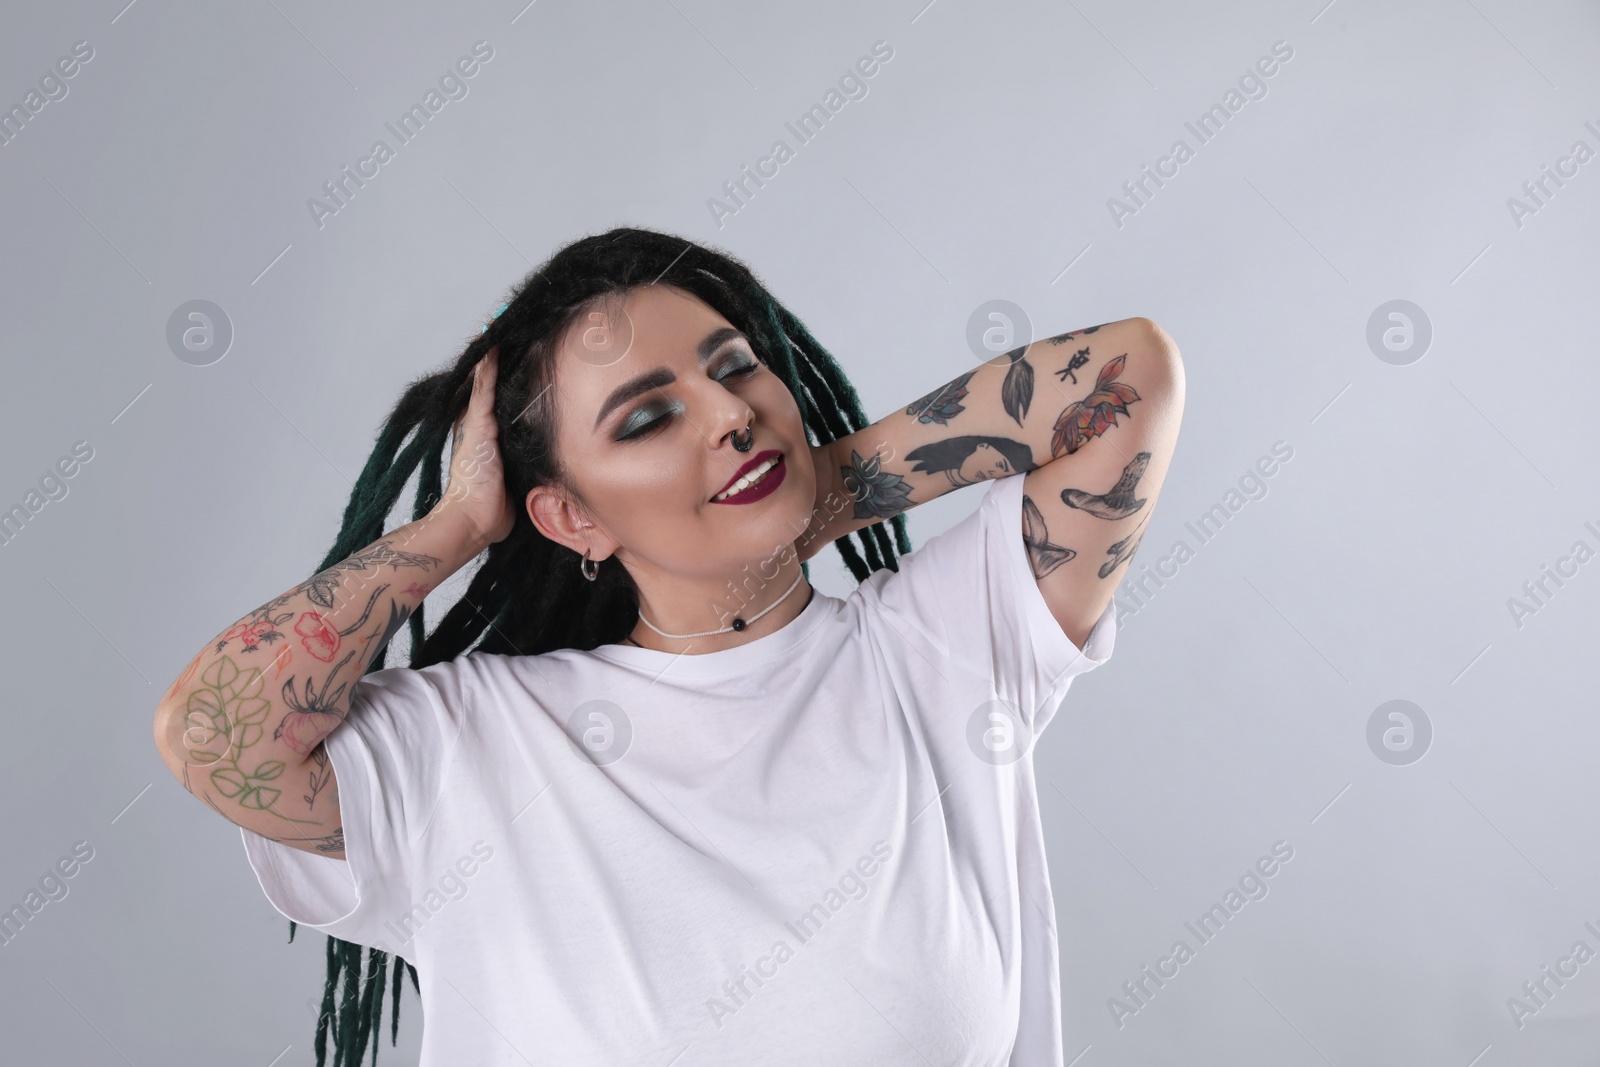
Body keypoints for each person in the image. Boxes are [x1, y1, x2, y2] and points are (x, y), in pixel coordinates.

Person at [151, 227, 1184, 1066]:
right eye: (649, 418)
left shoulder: (940, 649)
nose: (732, 413)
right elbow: (214, 733)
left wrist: (810, 496)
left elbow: (1128, 377)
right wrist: (456, 525)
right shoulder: (470, 745)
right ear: (569, 517)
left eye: (735, 366)